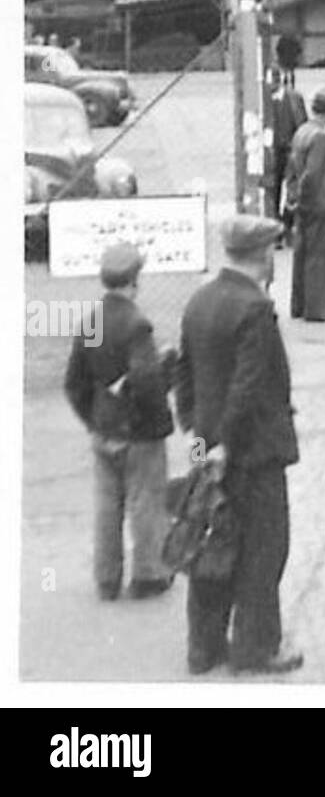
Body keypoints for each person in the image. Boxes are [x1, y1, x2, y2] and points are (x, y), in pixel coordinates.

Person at [175, 214, 302, 674]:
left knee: (212, 543)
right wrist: (225, 442)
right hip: (253, 452)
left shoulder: (200, 301)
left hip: (208, 448)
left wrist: (197, 434)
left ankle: (203, 648)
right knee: (264, 548)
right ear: (265, 255)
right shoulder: (255, 308)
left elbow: (183, 373)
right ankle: (257, 646)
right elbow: (248, 385)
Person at [64, 241, 175, 602]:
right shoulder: (136, 324)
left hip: (103, 427)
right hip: (137, 433)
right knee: (145, 501)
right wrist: (157, 421)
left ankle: (107, 577)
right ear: (134, 281)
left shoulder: (91, 321)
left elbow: (75, 382)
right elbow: (145, 380)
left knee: (106, 504)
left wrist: (92, 416)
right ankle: (149, 574)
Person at [284, 88, 325, 322]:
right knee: (320, 256)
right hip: (318, 202)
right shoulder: (321, 137)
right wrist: (306, 198)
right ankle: (317, 308)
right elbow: (314, 173)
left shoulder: (302, 132)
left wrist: (292, 197)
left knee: (302, 254)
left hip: (303, 203)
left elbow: (293, 170)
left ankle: (298, 304)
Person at [264, 66, 307, 245]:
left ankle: (288, 223)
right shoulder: (262, 100)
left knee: (294, 192)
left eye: (275, 80)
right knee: (271, 191)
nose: (272, 84)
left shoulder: (294, 98)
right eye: (269, 81)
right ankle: (275, 229)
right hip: (271, 151)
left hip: (291, 149)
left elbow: (303, 123)